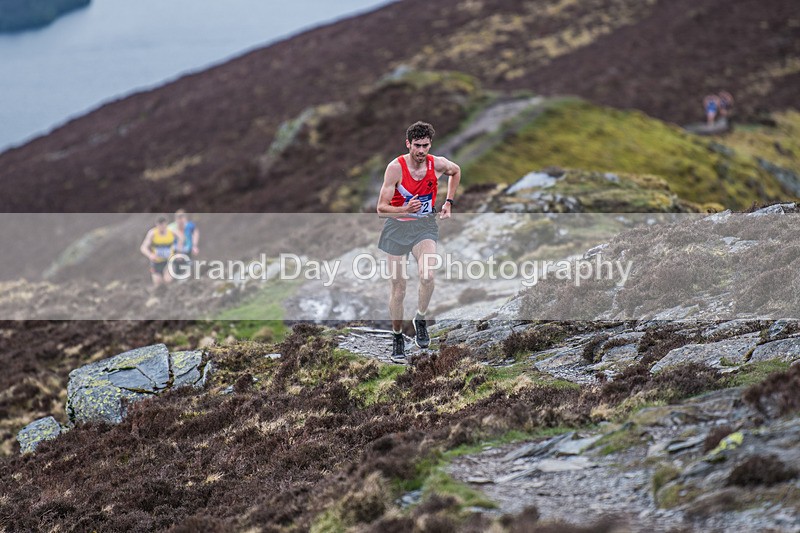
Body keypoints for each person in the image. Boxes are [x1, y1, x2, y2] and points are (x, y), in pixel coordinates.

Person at [376, 121, 461, 362]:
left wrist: (448, 202)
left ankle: (420, 318)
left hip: (424, 226)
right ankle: (397, 336)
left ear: (430, 144)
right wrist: (404, 208)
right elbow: (381, 209)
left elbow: (456, 171)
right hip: (396, 228)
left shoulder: (438, 164)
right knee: (399, 287)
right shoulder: (395, 168)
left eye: (425, 145)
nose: (421, 151)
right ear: (408, 144)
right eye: (416, 146)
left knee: (428, 276)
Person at [140, 216, 180, 287]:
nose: (162, 227)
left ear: (166, 224)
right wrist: (150, 255)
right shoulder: (152, 233)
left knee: (168, 280)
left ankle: (170, 295)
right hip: (157, 262)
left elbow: (182, 238)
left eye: (163, 225)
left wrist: (178, 251)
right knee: (158, 284)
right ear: (157, 225)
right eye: (160, 225)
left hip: (169, 260)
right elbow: (143, 247)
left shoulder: (172, 232)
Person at [168, 209, 199, 277]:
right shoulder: (171, 227)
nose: (180, 220)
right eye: (178, 218)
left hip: (187, 248)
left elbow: (195, 233)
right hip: (175, 249)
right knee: (177, 262)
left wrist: (195, 245)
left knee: (188, 262)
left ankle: (189, 273)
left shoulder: (190, 226)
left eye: (182, 218)